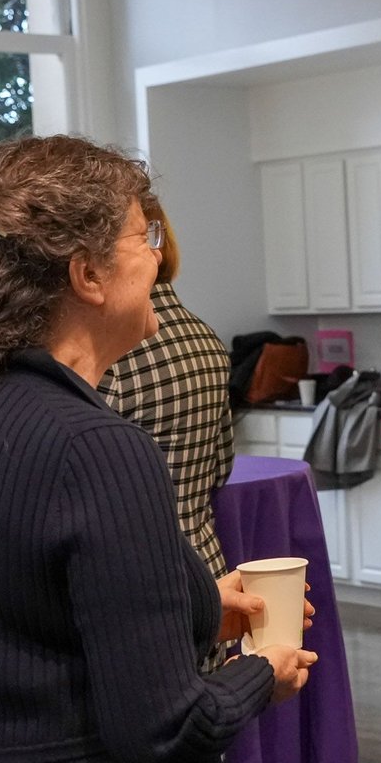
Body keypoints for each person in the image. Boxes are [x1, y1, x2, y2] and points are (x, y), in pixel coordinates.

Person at [0, 135, 317, 763]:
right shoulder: (97, 447)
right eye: (142, 233)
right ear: (88, 275)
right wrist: (263, 671)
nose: (159, 252)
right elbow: (168, 735)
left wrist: (196, 608)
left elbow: (35, 635)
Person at [99, 205, 234, 581]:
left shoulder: (112, 348)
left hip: (140, 574)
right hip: (207, 563)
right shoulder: (207, 338)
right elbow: (220, 469)